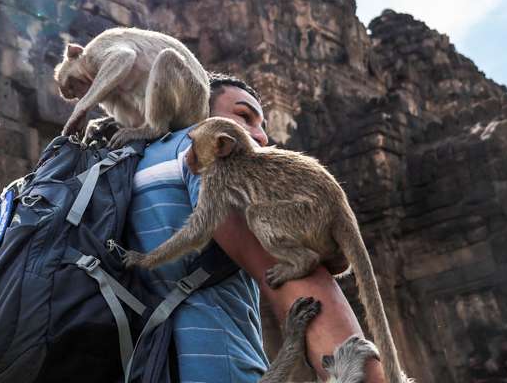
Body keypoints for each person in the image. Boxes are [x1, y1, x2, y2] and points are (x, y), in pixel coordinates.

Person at [123, 73, 386, 383]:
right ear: (198, 113)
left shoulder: (135, 164)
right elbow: (303, 290)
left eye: (263, 125)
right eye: (244, 116)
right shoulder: (209, 160)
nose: (261, 137)